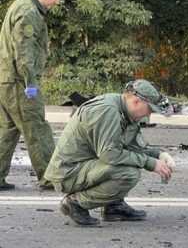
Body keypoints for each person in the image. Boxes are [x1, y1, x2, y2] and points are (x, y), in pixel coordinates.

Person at [44, 80, 176, 226]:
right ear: (136, 101)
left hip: (84, 166)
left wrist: (159, 156)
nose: (149, 115)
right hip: (68, 173)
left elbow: (133, 147)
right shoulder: (108, 111)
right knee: (128, 173)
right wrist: (150, 163)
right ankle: (75, 203)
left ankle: (114, 206)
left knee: (130, 160)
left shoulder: (126, 112)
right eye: (149, 110)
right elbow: (110, 154)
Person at [0, 0, 70, 191]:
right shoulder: (29, 12)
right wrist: (30, 82)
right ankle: (51, 177)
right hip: (20, 82)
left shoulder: (20, 5)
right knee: (37, 128)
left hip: (7, 79)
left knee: (7, 129)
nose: (57, 1)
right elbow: (24, 51)